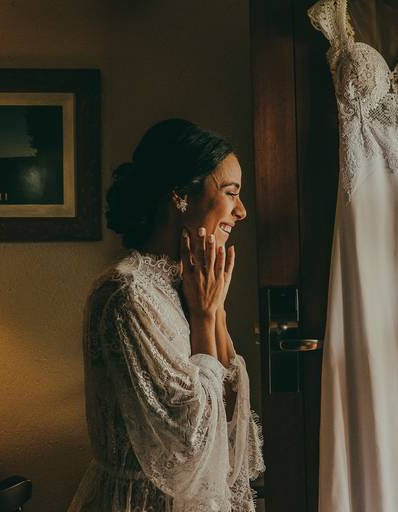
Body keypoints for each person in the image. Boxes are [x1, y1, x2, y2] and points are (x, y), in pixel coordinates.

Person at [68, 119, 264, 511]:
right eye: (230, 192)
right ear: (181, 195)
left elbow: (227, 420)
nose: (241, 211)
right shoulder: (125, 294)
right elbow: (189, 442)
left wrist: (215, 309)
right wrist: (205, 318)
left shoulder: (190, 285)